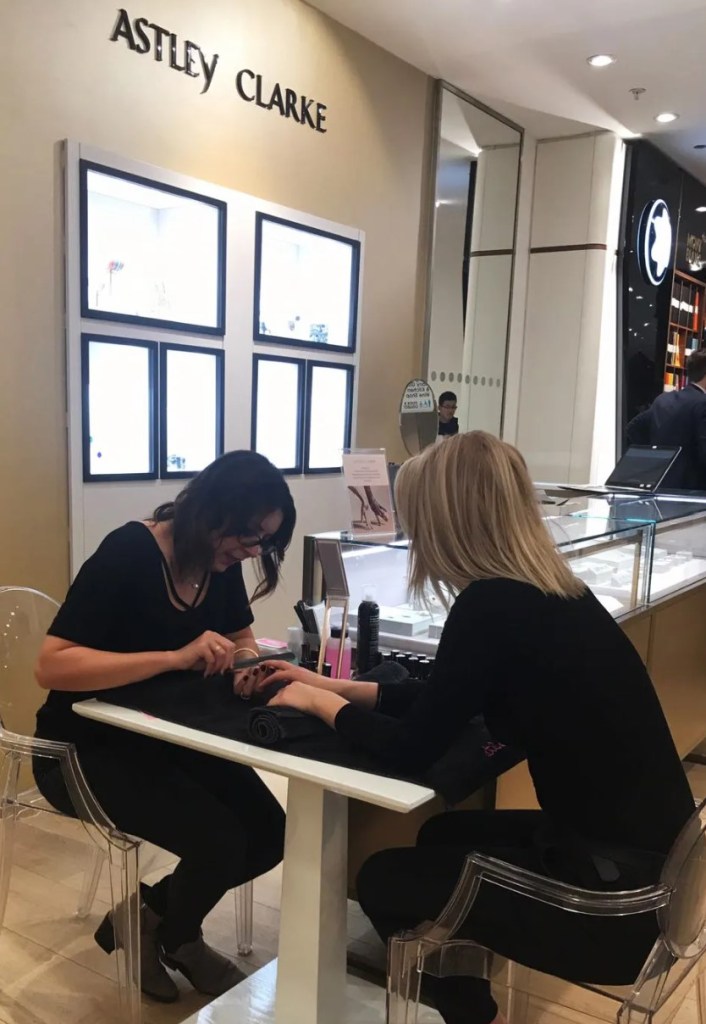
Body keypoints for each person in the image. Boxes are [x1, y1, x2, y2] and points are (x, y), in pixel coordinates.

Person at [248, 432, 694, 1024]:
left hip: (616, 907)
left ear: (447, 519)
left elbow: (412, 749)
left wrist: (313, 702)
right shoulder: (556, 593)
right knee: (442, 838)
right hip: (662, 878)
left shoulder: (490, 605)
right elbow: (442, 699)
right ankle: (470, 1002)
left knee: (383, 879)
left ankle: (468, 1012)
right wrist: (330, 687)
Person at [33, 450, 296, 1004]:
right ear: (212, 511)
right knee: (219, 840)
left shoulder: (216, 566)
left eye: (262, 543)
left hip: (167, 735)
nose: (250, 553)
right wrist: (174, 657)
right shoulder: (129, 552)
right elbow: (52, 665)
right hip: (82, 747)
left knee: (271, 831)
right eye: (248, 537)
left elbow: (241, 636)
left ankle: (149, 923)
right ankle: (181, 937)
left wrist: (246, 663)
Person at [626, 348, 706, 490]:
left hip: (660, 484)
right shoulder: (702, 403)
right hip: (693, 492)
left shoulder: (663, 400)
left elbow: (633, 429)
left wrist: (656, 456)